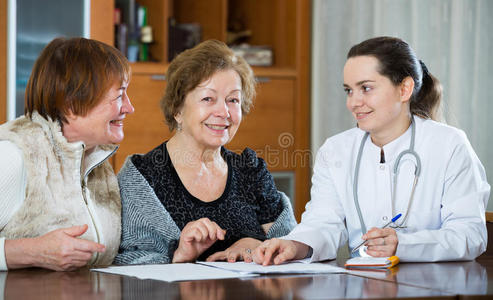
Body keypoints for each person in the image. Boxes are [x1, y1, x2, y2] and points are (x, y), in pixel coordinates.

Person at [254, 36, 490, 264]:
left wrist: (404, 244)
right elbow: (323, 223)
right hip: (365, 284)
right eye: (349, 90)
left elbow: (470, 234)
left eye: (366, 88)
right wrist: (295, 245)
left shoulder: (449, 145)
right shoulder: (336, 150)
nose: (353, 102)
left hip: (436, 286)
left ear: (405, 89)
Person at [114, 39, 296, 264]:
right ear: (177, 109)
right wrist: (179, 256)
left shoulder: (250, 170)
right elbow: (126, 263)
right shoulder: (141, 178)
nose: (223, 112)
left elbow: (290, 244)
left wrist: (254, 244)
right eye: (208, 99)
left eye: (233, 100)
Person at [0, 37, 134, 271]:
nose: (129, 108)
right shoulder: (14, 155)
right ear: (72, 104)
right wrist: (31, 252)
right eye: (119, 95)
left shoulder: (98, 161)